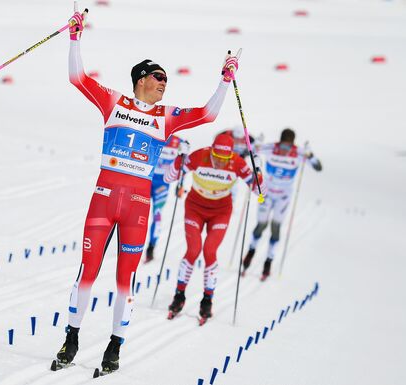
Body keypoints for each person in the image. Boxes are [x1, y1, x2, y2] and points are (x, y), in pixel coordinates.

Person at [52, 8, 240, 374]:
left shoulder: (167, 116)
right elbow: (78, 77)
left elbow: (208, 114)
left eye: (166, 80)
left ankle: (114, 348)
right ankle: (70, 339)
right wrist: (75, 37)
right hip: (103, 200)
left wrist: (225, 80)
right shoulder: (114, 102)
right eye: (157, 77)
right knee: (87, 272)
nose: (163, 83)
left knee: (126, 279)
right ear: (140, 78)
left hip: (137, 205)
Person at [164, 133, 264, 323]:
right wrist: (180, 158)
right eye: (216, 157)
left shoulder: (236, 162)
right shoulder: (199, 156)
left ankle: (207, 299)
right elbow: (170, 177)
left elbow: (259, 191)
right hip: (195, 208)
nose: (219, 162)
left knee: (210, 251)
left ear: (231, 156)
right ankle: (179, 295)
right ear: (211, 150)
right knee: (193, 250)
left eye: (223, 159)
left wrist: (257, 170)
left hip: (220, 211)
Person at [242, 128, 322, 281]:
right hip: (266, 193)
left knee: (276, 227)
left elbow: (318, 167)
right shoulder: (271, 148)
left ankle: (268, 262)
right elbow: (248, 152)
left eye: (288, 147)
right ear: (279, 143)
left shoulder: (298, 153)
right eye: (282, 146)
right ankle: (250, 253)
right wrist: (255, 144)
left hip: (283, 197)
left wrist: (310, 155)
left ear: (293, 145)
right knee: (261, 224)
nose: (284, 150)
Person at [144, 135, 189, 263]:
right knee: (138, 214)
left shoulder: (179, 142)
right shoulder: (153, 135)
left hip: (162, 184)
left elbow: (182, 165)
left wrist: (181, 184)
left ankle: (151, 248)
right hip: (145, 180)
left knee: (157, 215)